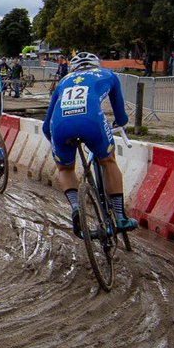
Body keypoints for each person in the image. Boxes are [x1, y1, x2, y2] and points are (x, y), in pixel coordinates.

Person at [42, 51, 134, 236]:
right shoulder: (108, 75)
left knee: (65, 169)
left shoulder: (64, 81)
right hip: (91, 122)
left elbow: (46, 126)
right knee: (108, 161)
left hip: (60, 126)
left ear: (73, 68)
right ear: (96, 64)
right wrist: (120, 124)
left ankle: (76, 208)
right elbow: (121, 117)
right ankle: (120, 217)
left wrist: (58, 147)